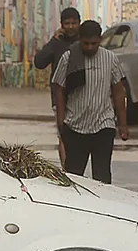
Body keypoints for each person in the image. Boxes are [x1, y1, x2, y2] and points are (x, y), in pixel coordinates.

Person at [52, 20, 129, 183]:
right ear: (80, 39)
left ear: (100, 40)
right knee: (73, 177)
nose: (89, 47)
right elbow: (59, 89)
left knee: (102, 177)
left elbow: (118, 90)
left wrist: (122, 124)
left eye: (94, 43)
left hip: (103, 125)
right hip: (75, 126)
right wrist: (60, 120)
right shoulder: (69, 58)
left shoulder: (110, 59)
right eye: (85, 43)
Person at [36, 7, 82, 166]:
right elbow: (39, 62)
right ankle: (67, 169)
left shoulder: (86, 42)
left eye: (74, 23)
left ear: (79, 23)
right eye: (67, 23)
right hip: (60, 97)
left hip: (83, 95)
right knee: (63, 134)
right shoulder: (57, 43)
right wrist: (53, 41)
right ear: (62, 25)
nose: (70, 27)